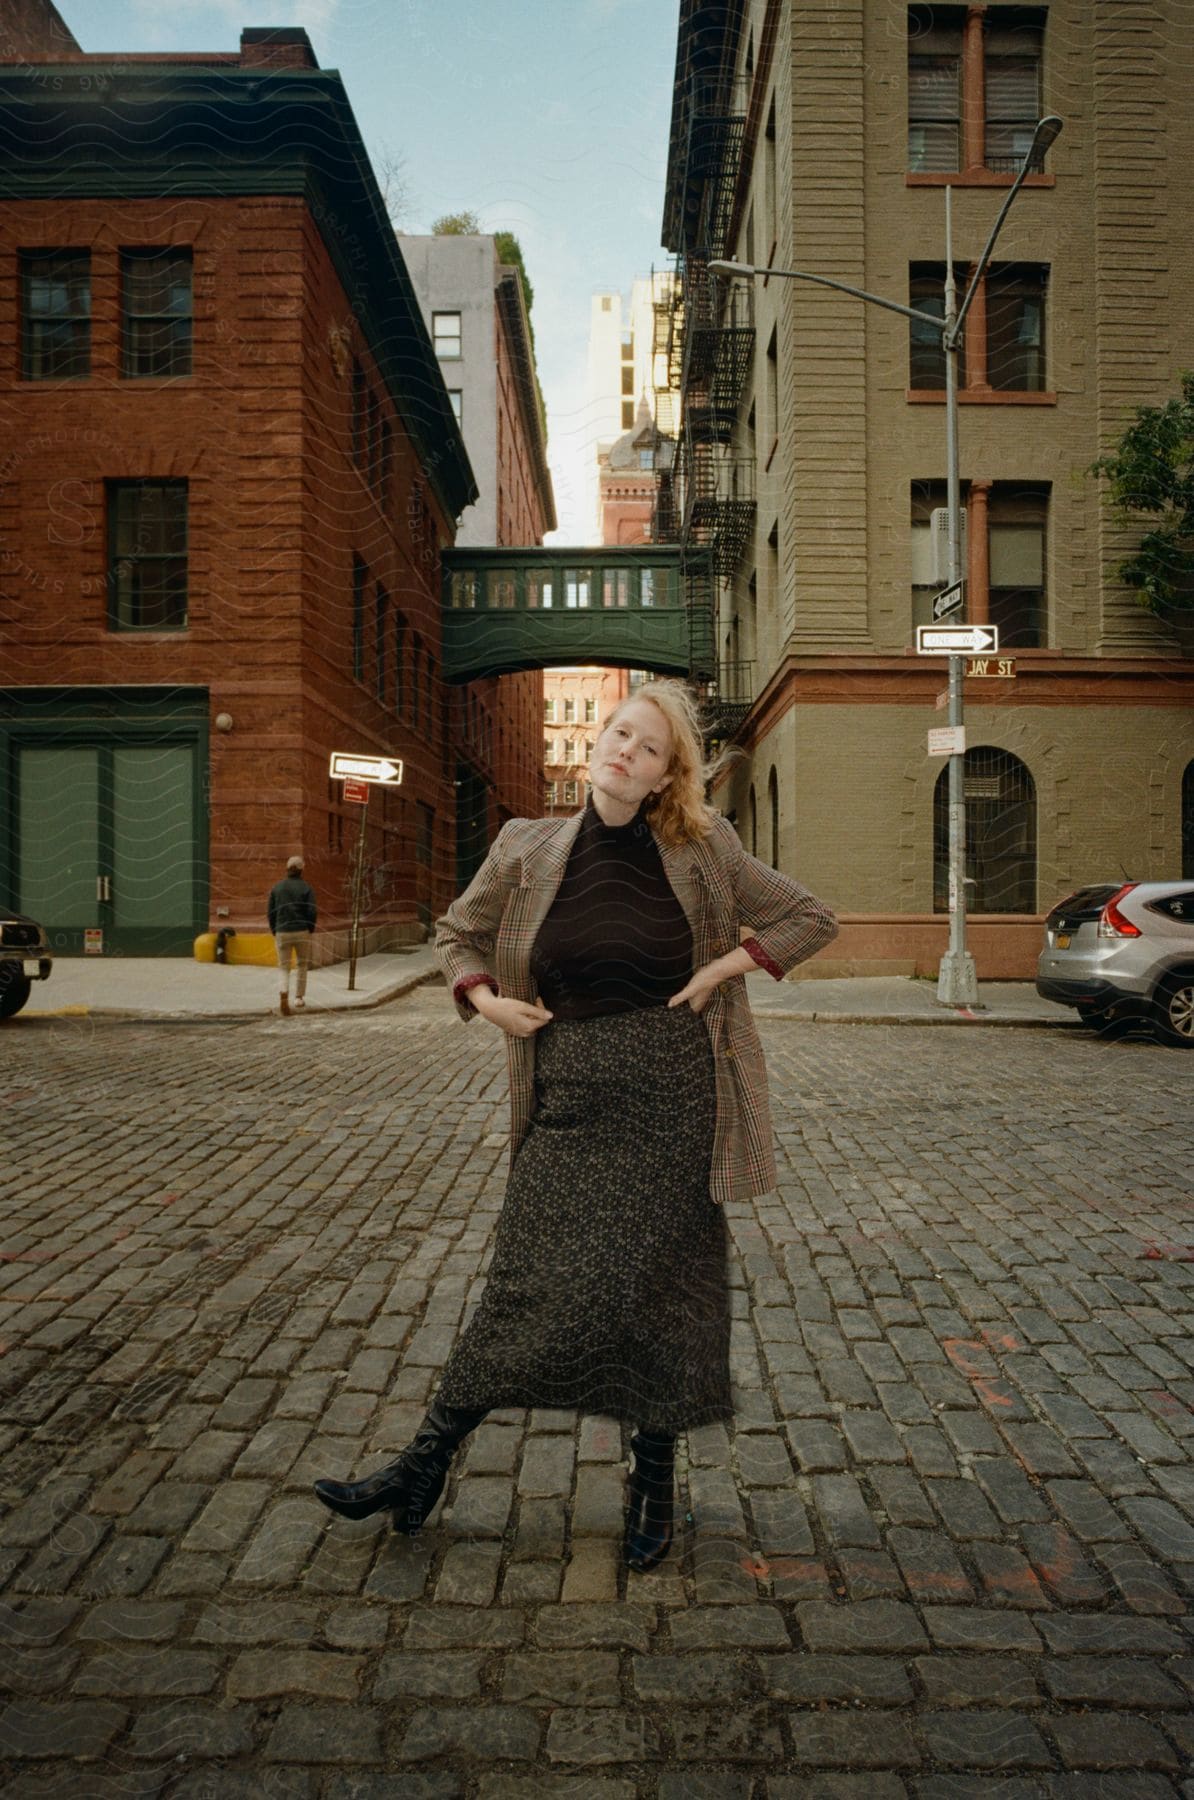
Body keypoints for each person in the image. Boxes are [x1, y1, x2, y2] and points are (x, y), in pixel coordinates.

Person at [313, 679, 838, 1571]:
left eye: (647, 747)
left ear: (667, 775)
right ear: (597, 743)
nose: (623, 750)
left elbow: (809, 916)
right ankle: (421, 1465)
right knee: (525, 1282)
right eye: (617, 733)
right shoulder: (528, 845)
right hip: (569, 1096)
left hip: (674, 1097)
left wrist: (719, 971)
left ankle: (654, 1484)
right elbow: (458, 932)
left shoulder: (706, 850)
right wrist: (483, 1000)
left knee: (662, 1294)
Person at [268, 854, 317, 1017]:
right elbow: (311, 911)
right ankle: (299, 998)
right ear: (301, 869)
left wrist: (275, 930)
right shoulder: (306, 888)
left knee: (284, 966)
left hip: (282, 930)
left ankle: (283, 992)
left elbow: (271, 912)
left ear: (287, 869)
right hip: (301, 929)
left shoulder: (277, 888)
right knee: (302, 964)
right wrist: (310, 928)